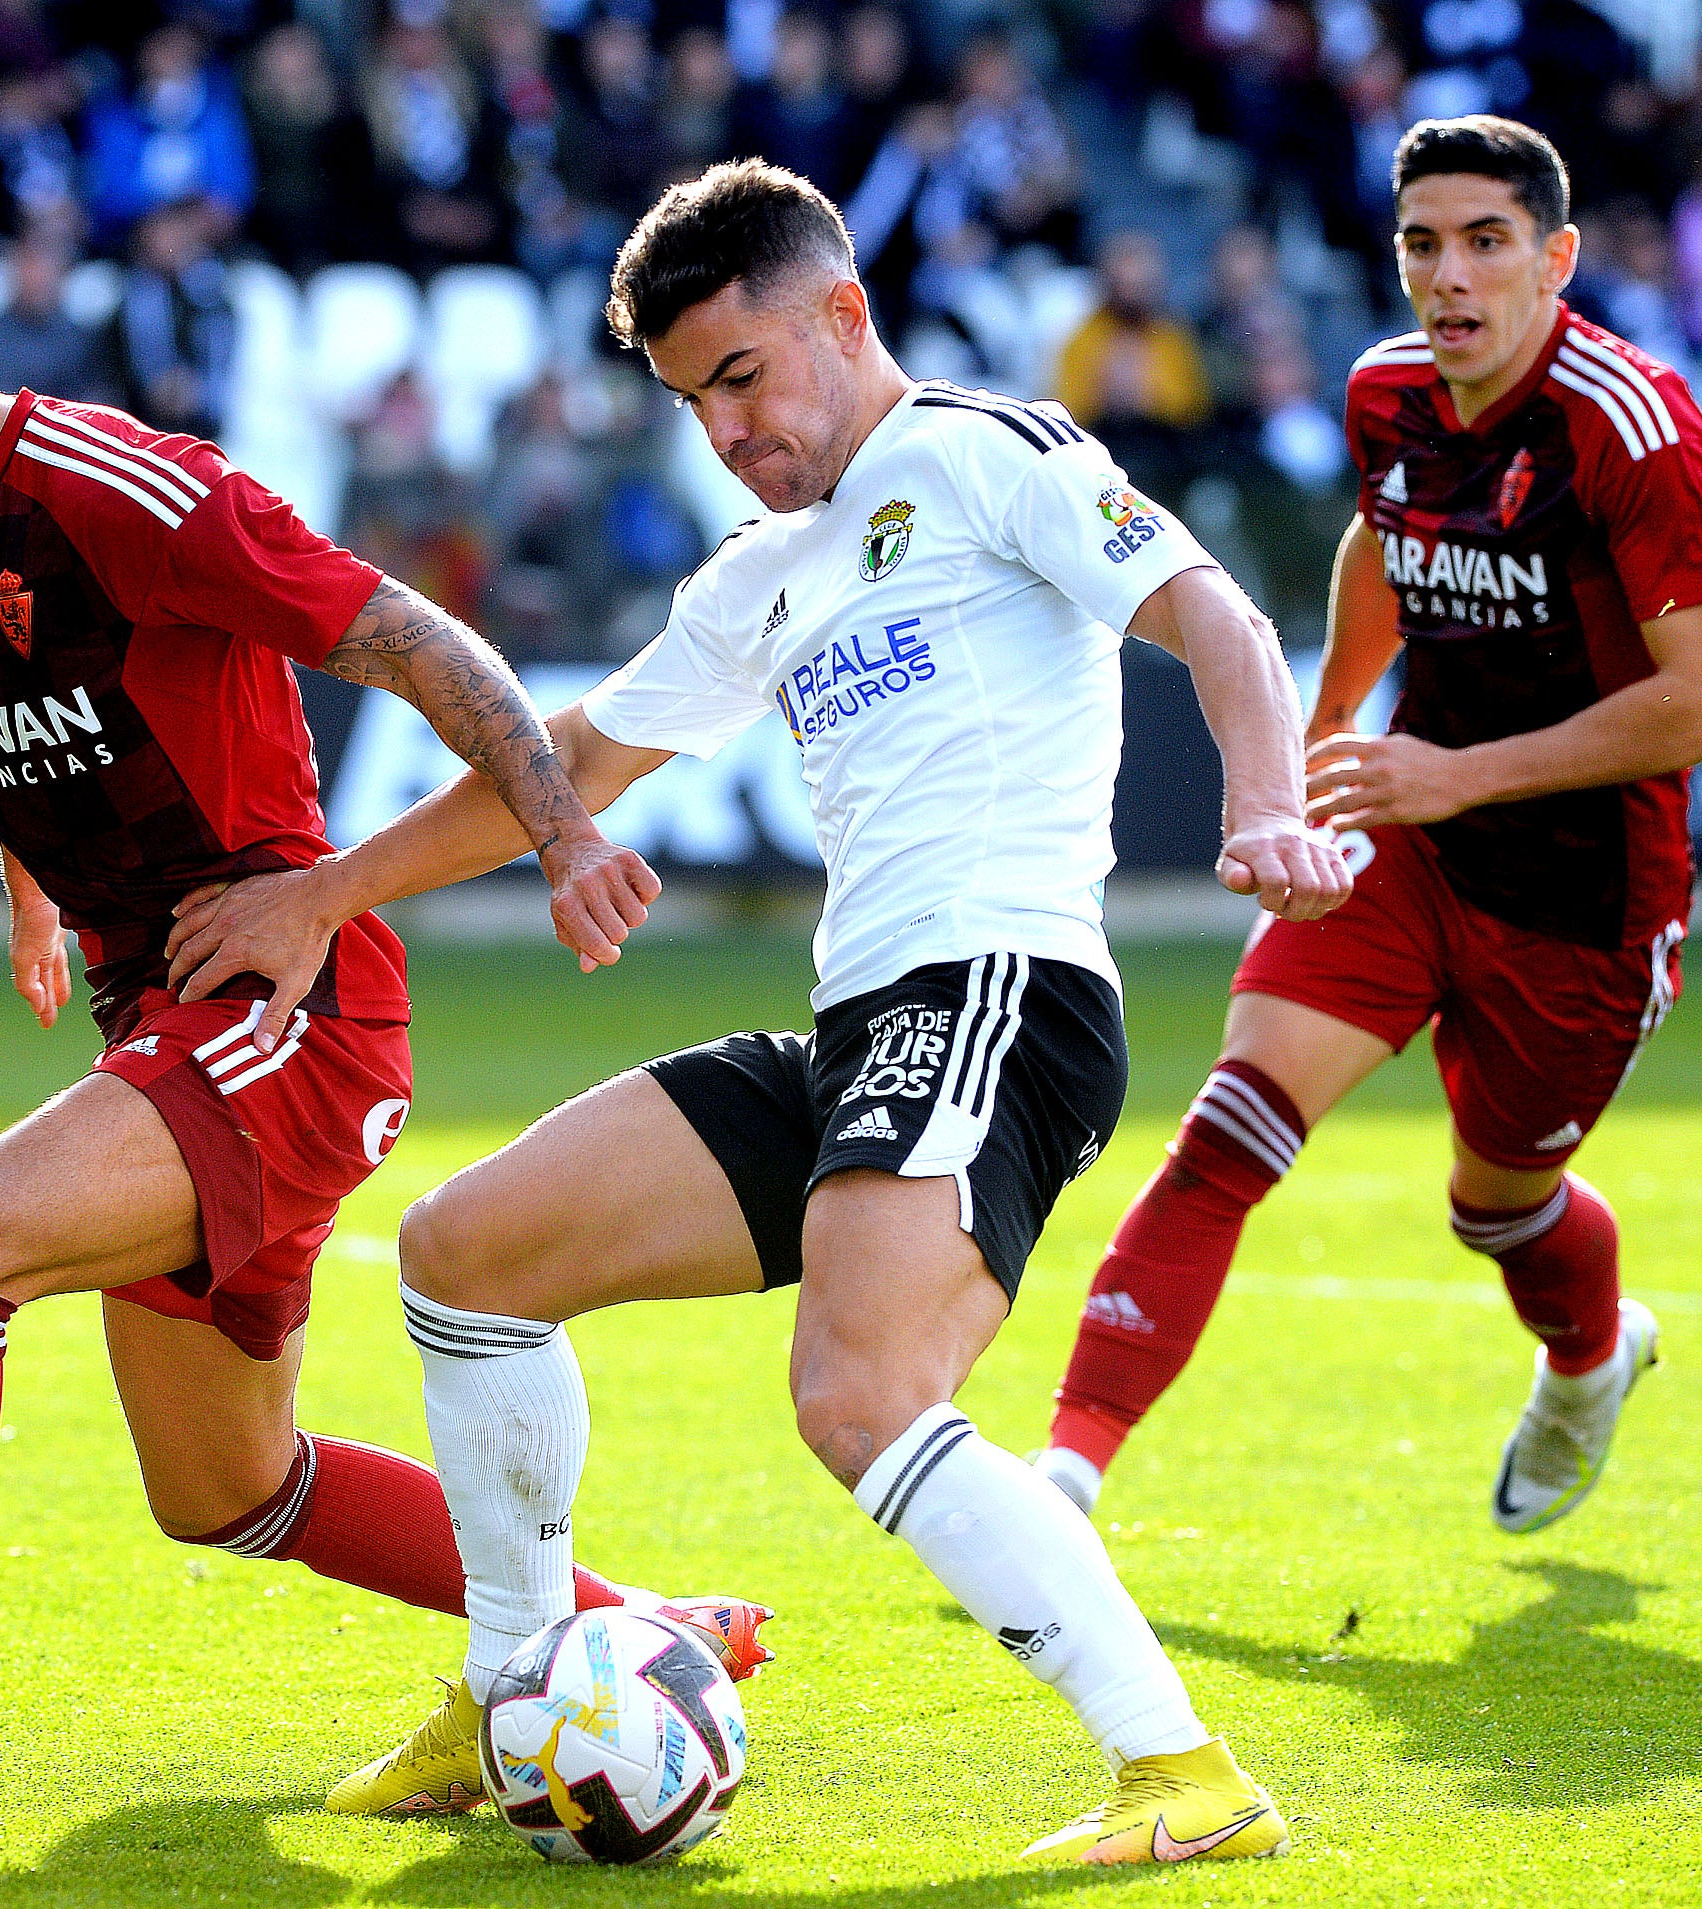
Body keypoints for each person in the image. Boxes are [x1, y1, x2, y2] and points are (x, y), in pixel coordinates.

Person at [164, 159, 1348, 1863]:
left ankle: (1179, 1773)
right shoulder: (760, 572)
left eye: (743, 376)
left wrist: (1262, 803)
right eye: (688, 398)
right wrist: (323, 893)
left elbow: (1216, 617)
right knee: (464, 1258)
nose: (725, 427)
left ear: (842, 315)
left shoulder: (977, 453)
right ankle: (512, 1691)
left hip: (995, 989)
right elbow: (559, 770)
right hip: (865, 1020)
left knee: (859, 1396)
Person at [0, 221, 769, 1818]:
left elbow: (421, 641)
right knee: (227, 1490)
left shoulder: (129, 492)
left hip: (285, 1011)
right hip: (160, 1012)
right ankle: (640, 1632)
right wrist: (29, 887)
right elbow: (12, 713)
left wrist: (563, 832)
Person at [1033, 117, 1702, 1535]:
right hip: (1403, 839)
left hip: (1582, 896)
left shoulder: (1632, 428)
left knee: (1496, 1206)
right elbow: (1382, 539)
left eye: (1486, 242)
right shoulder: (1384, 391)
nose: (1449, 276)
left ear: (1555, 258)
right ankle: (1058, 1482)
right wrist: (1317, 747)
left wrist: (1456, 776)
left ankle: (1586, 1361)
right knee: (1229, 1126)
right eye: (1422, 243)